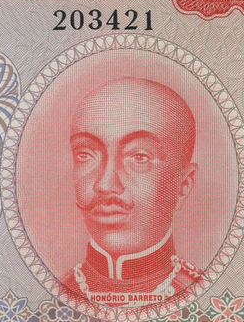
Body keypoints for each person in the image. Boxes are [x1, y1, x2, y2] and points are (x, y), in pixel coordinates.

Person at [59, 77, 204, 307]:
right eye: (85, 154)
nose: (106, 185)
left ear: (183, 186)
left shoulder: (203, 295)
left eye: (139, 157)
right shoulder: (56, 293)